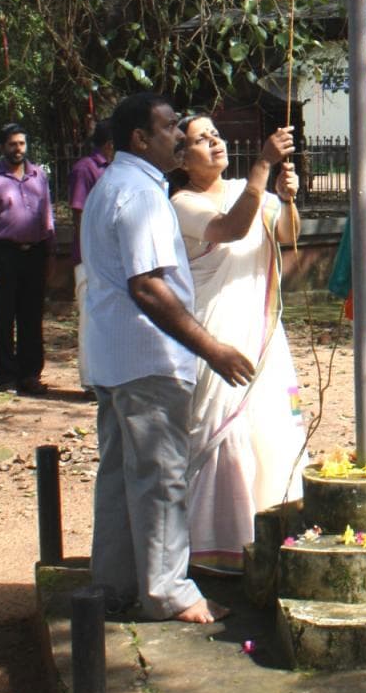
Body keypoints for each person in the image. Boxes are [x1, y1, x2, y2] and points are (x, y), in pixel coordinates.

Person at [83, 92, 256, 622]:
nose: (181, 135)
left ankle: (113, 586)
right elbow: (149, 289)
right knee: (161, 480)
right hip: (148, 360)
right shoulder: (139, 195)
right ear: (140, 138)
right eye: (169, 128)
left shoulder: (114, 186)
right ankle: (169, 592)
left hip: (117, 362)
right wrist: (214, 348)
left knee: (120, 476)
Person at [170, 113, 305, 575]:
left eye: (216, 134)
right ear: (183, 159)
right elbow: (230, 229)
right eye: (200, 140)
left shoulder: (247, 191)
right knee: (222, 435)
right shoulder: (183, 203)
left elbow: (286, 235)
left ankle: (269, 537)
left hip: (262, 332)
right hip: (217, 335)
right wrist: (263, 166)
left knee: (269, 430)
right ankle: (214, 547)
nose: (214, 142)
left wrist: (287, 199)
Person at [0, 123, 55, 394]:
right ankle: (7, 376)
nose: (18, 149)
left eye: (21, 143)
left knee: (31, 315)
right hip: (3, 254)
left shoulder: (39, 176)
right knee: (4, 315)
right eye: (12, 144)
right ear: (2, 147)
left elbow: (47, 216)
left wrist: (49, 253)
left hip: (34, 252)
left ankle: (30, 374)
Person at [70, 119, 114, 396]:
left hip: (109, 259)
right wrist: (89, 252)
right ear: (111, 144)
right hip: (89, 258)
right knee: (89, 316)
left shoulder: (113, 169)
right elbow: (78, 214)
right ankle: (89, 379)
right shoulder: (85, 169)